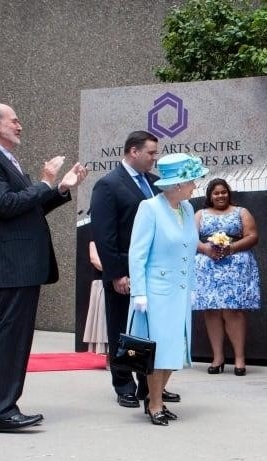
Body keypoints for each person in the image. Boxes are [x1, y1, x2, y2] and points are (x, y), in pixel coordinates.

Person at [0, 102, 88, 432]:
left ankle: (6, 407)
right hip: (10, 263)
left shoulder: (3, 160)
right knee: (9, 338)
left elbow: (27, 208)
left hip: (22, 264)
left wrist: (61, 187)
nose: (20, 126)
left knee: (17, 338)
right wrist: (45, 181)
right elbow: (5, 206)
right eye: (13, 121)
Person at [90, 131, 180, 408]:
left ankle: (150, 387)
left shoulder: (156, 184)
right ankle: (124, 384)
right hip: (124, 272)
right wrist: (117, 273)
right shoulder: (108, 185)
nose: (155, 158)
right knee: (123, 330)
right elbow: (104, 236)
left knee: (150, 331)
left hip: (154, 274)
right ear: (133, 151)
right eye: (151, 153)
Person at [128, 153, 205, 425]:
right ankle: (155, 403)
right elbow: (137, 253)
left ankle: (154, 397)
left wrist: (193, 286)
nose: (196, 185)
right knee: (158, 350)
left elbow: (190, 250)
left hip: (180, 291)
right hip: (156, 292)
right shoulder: (149, 208)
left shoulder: (186, 209)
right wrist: (139, 291)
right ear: (177, 185)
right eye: (192, 181)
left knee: (176, 349)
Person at [193, 178, 260, 376]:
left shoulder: (241, 212)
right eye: (216, 193)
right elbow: (189, 237)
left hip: (235, 266)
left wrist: (230, 248)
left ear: (228, 193)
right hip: (208, 267)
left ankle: (239, 358)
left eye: (224, 192)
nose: (220, 196)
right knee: (212, 311)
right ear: (210, 196)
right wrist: (205, 248)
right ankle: (218, 357)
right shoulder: (200, 214)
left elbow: (252, 236)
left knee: (233, 311)